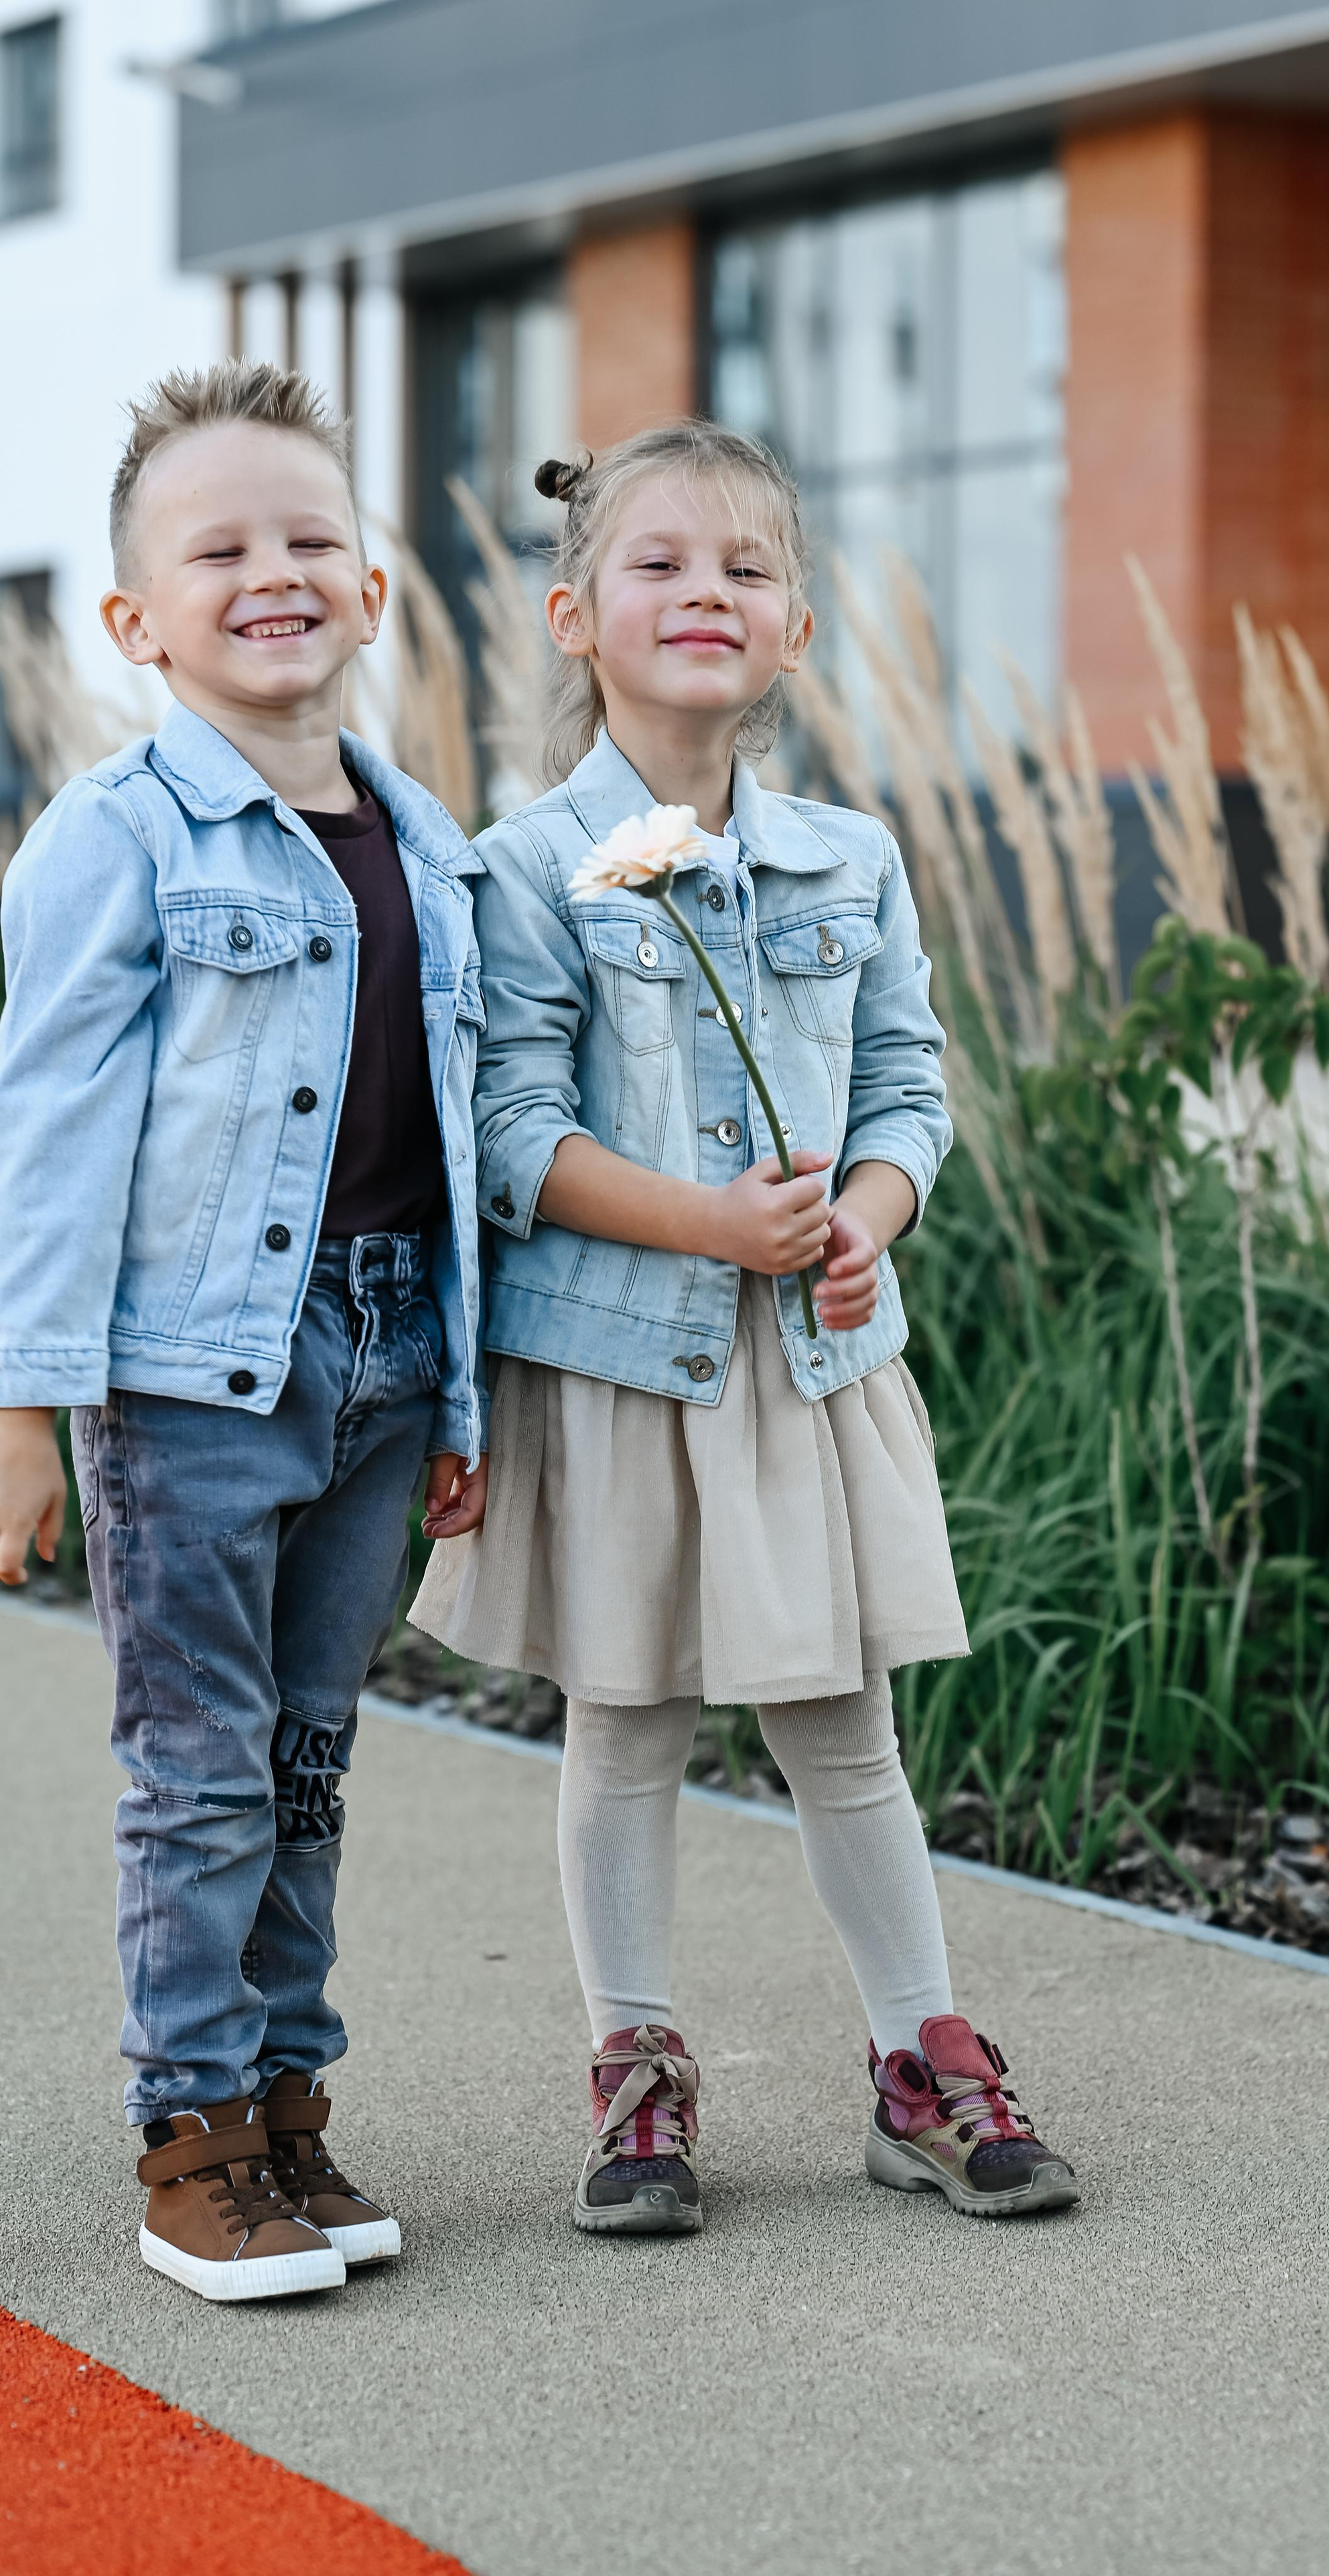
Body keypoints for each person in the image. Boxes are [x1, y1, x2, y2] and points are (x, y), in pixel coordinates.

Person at [411, 419, 1077, 2232]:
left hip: (809, 1366)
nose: (705, 591)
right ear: (576, 616)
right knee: (626, 1721)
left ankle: (921, 2062)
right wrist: (707, 1221)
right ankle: (636, 2071)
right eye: (660, 563)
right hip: (624, 1370)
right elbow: (506, 1130)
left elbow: (909, 1091)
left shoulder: (851, 859)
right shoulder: (522, 868)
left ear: (795, 630)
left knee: (842, 1723)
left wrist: (865, 1224)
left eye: (747, 568)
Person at [0, 361, 488, 2302]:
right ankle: (190, 2135)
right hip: (192, 1380)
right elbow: (46, 1136)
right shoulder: (115, 837)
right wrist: (23, 1404)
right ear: (136, 623)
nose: (271, 572)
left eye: (308, 539)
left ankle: (289, 2105)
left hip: (384, 1358)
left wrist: (459, 1390)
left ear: (368, 587)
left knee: (304, 1764)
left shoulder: (428, 840)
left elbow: (452, 1149)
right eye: (218, 551)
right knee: (199, 1770)